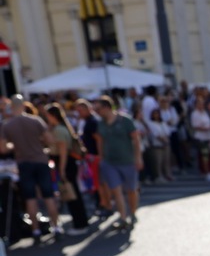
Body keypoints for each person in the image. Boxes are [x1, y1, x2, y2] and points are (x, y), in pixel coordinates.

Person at [0, 94, 62, 244]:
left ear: (11, 107)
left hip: (23, 163)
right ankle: (57, 227)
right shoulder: (35, 121)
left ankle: (35, 230)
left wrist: (15, 145)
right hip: (40, 160)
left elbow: (3, 148)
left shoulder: (8, 125)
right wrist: (40, 145)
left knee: (30, 198)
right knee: (48, 196)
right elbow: (50, 140)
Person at [93, 95, 143, 230]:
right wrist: (101, 158)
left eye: (98, 109)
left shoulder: (125, 120)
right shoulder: (101, 123)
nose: (97, 112)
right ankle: (122, 217)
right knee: (116, 191)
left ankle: (132, 213)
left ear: (107, 107)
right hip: (110, 162)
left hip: (128, 161)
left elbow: (136, 139)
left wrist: (138, 158)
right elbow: (100, 141)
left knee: (131, 190)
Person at [44, 103, 90, 235]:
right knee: (73, 194)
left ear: (52, 116)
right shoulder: (61, 128)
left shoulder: (59, 129)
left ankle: (80, 223)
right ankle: (80, 222)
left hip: (65, 163)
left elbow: (63, 152)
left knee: (71, 194)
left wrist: (62, 169)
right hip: (67, 163)